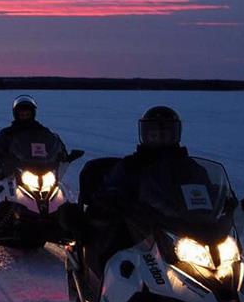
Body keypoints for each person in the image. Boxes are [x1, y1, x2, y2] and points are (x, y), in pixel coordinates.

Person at [84, 106, 213, 264]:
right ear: (145, 134)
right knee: (114, 253)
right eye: (154, 134)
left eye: (164, 134)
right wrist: (113, 198)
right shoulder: (131, 165)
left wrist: (223, 200)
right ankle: (107, 281)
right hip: (140, 227)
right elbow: (111, 187)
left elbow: (207, 189)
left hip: (180, 226)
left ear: (175, 134)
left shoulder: (190, 167)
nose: (158, 137)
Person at [0, 95, 66, 173]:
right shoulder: (8, 132)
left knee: (58, 184)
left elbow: (54, 144)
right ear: (16, 113)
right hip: (14, 170)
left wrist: (62, 153)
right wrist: (0, 154)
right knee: (0, 182)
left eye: (27, 112)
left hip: (42, 169)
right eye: (21, 112)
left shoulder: (42, 131)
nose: (24, 114)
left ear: (32, 113)